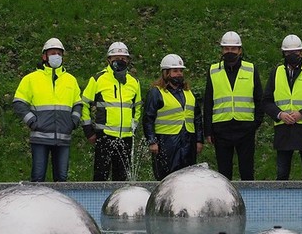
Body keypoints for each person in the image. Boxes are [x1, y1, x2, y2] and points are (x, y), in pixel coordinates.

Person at [12, 37, 82, 182]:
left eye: (59, 53)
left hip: (63, 137)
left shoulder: (71, 80)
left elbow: (78, 104)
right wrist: (32, 121)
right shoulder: (31, 79)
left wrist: (74, 121)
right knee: (38, 178)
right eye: (52, 53)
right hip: (40, 137)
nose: (56, 56)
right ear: (44, 56)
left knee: (62, 179)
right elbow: (19, 103)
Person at [262, 34, 302, 180]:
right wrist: (280, 115)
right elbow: (266, 101)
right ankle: (280, 202)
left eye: (296, 52)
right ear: (283, 54)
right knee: (282, 174)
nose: (292, 55)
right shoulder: (276, 73)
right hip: (283, 129)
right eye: (288, 53)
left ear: (301, 53)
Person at [203, 30, 263, 180]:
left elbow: (259, 98)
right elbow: (208, 101)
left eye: (233, 49)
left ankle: (249, 201)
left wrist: (256, 122)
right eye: (226, 48)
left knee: (247, 171)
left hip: (245, 127)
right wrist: (208, 131)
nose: (229, 52)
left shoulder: (251, 69)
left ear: (240, 50)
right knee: (224, 173)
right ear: (222, 50)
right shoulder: (213, 70)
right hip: (221, 127)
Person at [81, 41, 142, 181]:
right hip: (104, 136)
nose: (120, 60)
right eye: (116, 58)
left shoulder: (134, 82)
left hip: (126, 138)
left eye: (123, 58)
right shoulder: (98, 79)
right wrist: (88, 130)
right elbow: (84, 104)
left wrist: (134, 124)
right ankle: (97, 203)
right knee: (100, 178)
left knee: (122, 180)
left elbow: (137, 107)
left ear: (128, 60)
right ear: (108, 60)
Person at [142, 54, 204, 180]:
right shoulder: (156, 92)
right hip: (166, 142)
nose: (179, 74)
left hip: (188, 141)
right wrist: (152, 141)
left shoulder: (188, 92)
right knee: (166, 178)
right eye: (175, 71)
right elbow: (148, 119)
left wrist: (199, 140)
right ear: (166, 73)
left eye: (181, 71)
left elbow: (197, 118)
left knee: (188, 177)